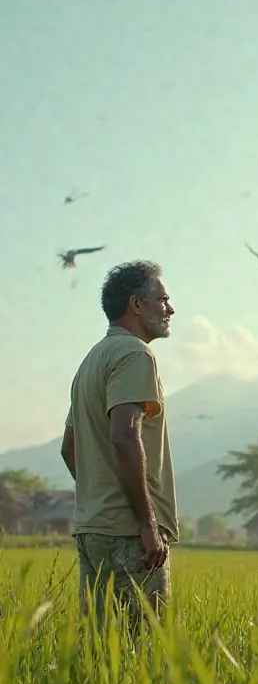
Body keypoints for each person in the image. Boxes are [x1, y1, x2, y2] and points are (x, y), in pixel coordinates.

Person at [60, 260, 178, 626]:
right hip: (129, 534)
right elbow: (125, 435)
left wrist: (100, 496)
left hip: (94, 530)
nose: (170, 309)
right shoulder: (134, 355)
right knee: (142, 656)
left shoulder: (92, 361)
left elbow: (69, 446)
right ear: (136, 304)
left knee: (102, 652)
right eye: (162, 299)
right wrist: (147, 522)